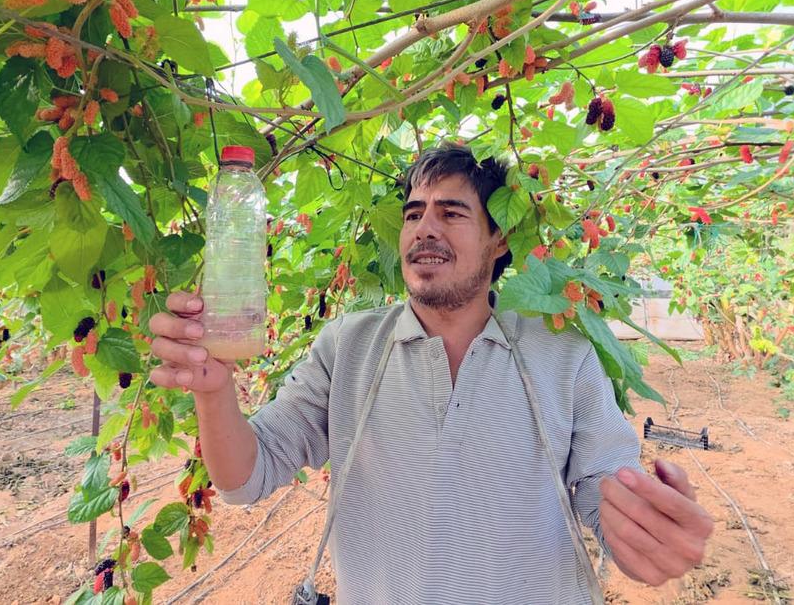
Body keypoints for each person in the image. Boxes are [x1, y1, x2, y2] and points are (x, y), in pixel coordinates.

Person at [150, 144, 713, 603]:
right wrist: (214, 391)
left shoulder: (561, 351)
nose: (425, 228)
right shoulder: (347, 346)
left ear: (498, 240)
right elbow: (245, 478)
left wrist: (641, 528)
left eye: (451, 212)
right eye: (414, 213)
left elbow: (604, 488)